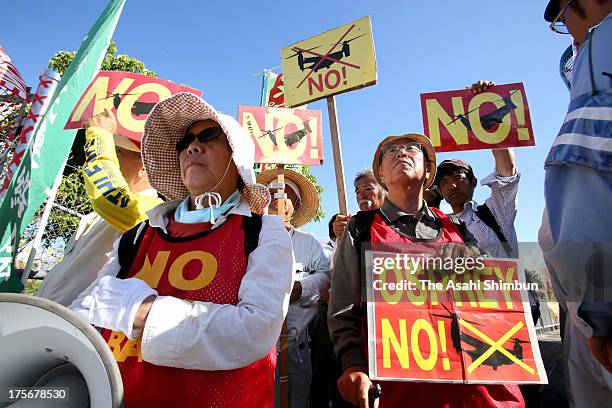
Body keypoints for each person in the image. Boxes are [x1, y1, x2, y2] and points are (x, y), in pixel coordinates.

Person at [70, 93, 294, 407]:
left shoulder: (263, 232)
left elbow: (255, 330)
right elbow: (90, 313)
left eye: (209, 136)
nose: (192, 146)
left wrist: (142, 310)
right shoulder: (139, 233)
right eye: (185, 142)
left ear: (238, 156)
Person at [328, 133, 524, 407]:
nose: (401, 153)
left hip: (474, 387)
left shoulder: (458, 228)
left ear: (428, 171)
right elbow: (343, 306)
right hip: (402, 389)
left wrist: (471, 265)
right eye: (391, 151)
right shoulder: (360, 229)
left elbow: (495, 297)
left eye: (411, 148)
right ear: (381, 176)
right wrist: (353, 365)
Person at [540, 0, 612, 405]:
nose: (568, 30)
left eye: (564, 12)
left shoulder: (598, 50)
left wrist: (602, 318)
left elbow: (588, 179)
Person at [37, 108, 162, 306]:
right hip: (54, 317)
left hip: (78, 327)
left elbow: (108, 194)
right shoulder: (106, 213)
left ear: (144, 168)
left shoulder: (154, 212)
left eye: (118, 151)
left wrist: (99, 135)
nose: (113, 154)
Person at [257, 168, 331, 408]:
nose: (278, 199)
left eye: (286, 193)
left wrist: (300, 288)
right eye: (273, 193)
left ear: (296, 204)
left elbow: (326, 277)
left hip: (296, 348)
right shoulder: (249, 238)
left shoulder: (308, 243)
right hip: (255, 349)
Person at [435, 81, 520, 259]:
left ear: (473, 182)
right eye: (444, 182)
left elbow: (507, 169)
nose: (452, 185)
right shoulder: (437, 228)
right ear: (440, 192)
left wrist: (485, 101)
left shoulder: (497, 212)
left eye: (458, 178)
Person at [333, 169, 387, 242]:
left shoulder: (397, 220)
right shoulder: (354, 226)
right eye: (358, 192)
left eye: (367, 189)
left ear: (384, 193)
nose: (362, 195)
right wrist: (342, 235)